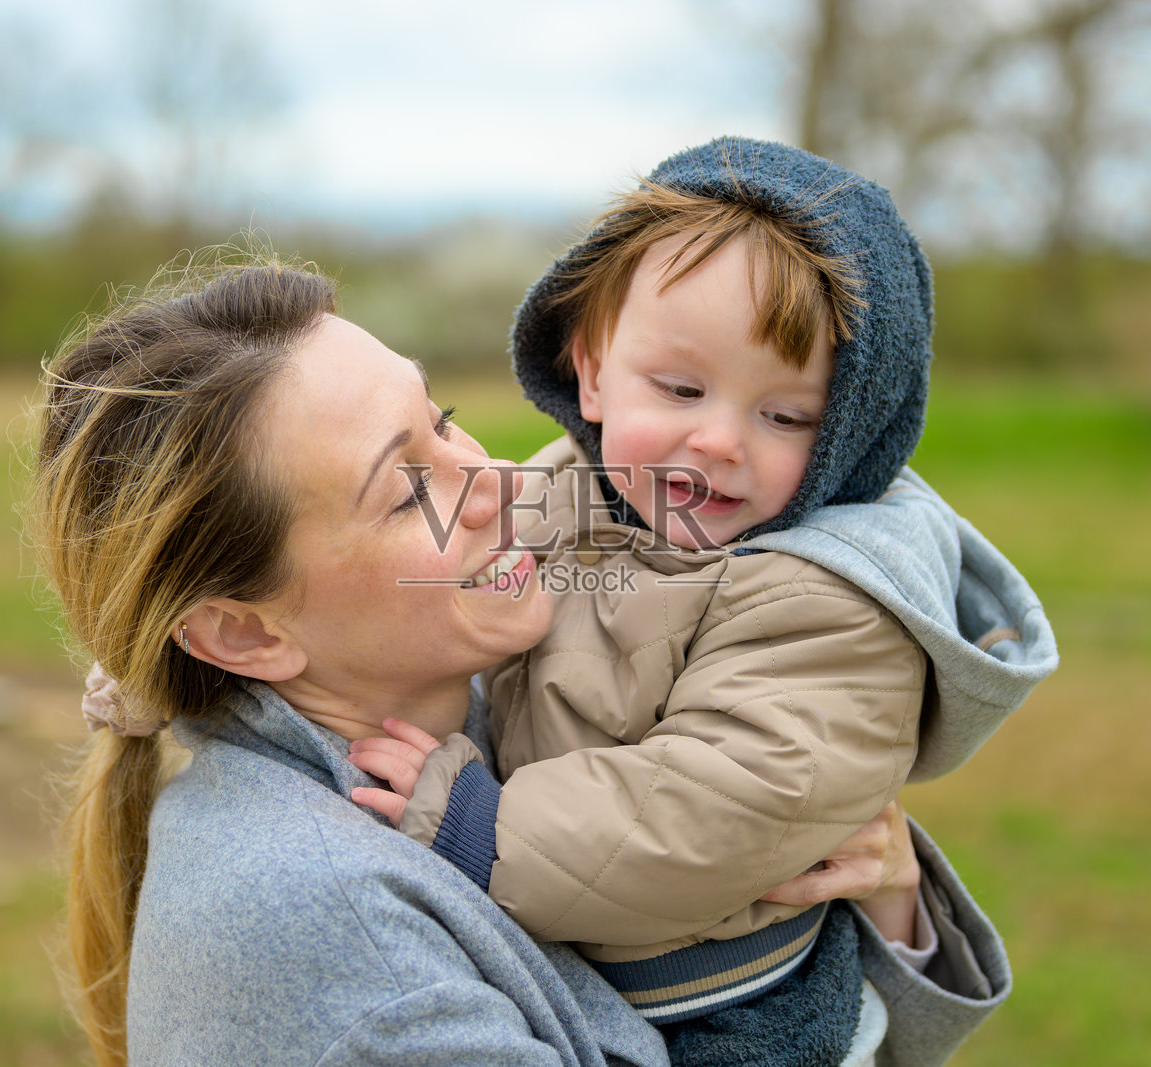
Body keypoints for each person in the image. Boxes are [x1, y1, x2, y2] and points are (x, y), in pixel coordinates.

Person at [30, 254, 1012, 1067]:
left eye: (443, 418)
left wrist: (875, 892)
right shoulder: (322, 917)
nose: (495, 479)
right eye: (405, 483)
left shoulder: (484, 697)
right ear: (245, 633)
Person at [352, 138, 1057, 1063]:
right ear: (594, 370)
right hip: (567, 961)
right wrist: (193, 636)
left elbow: (705, 810)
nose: (719, 439)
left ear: (852, 433)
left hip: (731, 1012)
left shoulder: (833, 600)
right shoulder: (573, 490)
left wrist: (481, 827)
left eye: (787, 416)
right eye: (681, 388)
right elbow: (398, 577)